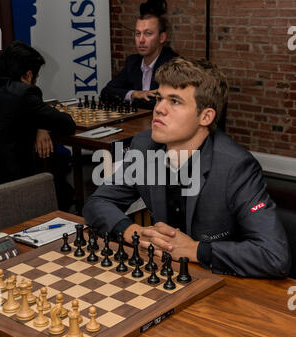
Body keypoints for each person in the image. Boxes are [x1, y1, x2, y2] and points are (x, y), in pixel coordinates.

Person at [83, 57, 291, 279]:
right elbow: (98, 202)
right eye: (160, 98)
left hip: (221, 281)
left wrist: (195, 250)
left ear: (206, 116)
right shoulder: (144, 146)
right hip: (163, 274)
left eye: (175, 101)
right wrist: (132, 232)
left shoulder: (236, 167)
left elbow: (274, 256)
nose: (159, 109)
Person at [0, 41, 76, 209]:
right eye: (36, 78)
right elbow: (67, 125)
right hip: (15, 182)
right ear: (28, 75)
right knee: (64, 191)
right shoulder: (24, 92)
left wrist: (41, 126)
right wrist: (43, 124)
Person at [101, 0, 178, 110]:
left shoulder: (173, 64)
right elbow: (106, 92)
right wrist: (135, 94)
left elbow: (163, 102)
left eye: (148, 33)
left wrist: (134, 98)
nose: (141, 40)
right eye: (138, 34)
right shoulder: (132, 62)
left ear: (162, 38)